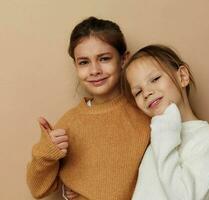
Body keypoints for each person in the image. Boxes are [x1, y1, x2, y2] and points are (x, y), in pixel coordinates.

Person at [26, 16, 150, 200]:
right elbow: (39, 190)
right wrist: (45, 153)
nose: (94, 70)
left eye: (104, 58)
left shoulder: (145, 112)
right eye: (84, 62)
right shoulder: (69, 123)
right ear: (75, 66)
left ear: (124, 59)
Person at [121, 44, 209, 200]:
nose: (147, 93)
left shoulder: (207, 137)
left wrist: (165, 132)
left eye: (155, 79)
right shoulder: (157, 137)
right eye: (138, 92)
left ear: (182, 76)